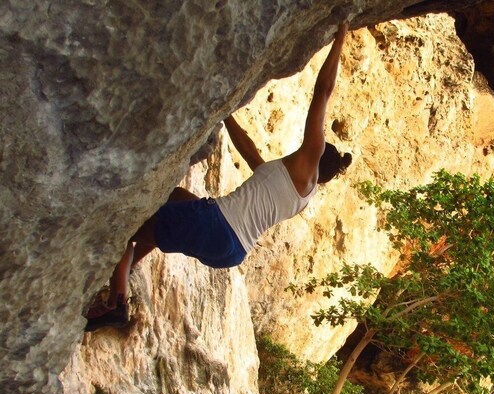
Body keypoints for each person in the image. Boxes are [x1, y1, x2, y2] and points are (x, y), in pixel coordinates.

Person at [85, 22, 352, 331]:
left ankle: (116, 302)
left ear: (318, 157)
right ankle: (128, 269)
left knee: (127, 225)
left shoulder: (309, 161)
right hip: (230, 250)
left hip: (216, 226)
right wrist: (226, 113)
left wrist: (341, 37)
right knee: (174, 199)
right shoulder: (297, 192)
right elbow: (251, 153)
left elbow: (323, 92)